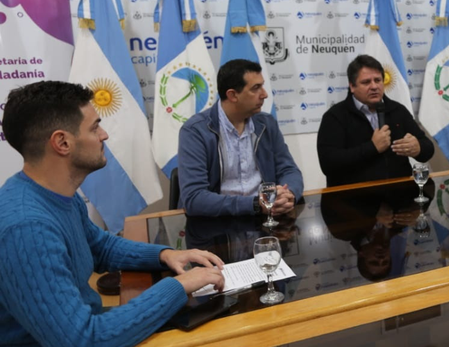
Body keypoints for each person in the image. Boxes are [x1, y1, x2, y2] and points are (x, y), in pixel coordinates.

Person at [0, 81, 225, 346]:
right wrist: (178, 286)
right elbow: (84, 340)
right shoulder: (27, 228)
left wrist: (166, 255)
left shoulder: (59, 194)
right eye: (95, 127)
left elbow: (100, 247)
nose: (104, 135)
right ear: (62, 142)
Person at [178, 59, 303, 217]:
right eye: (256, 88)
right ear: (232, 95)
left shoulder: (266, 123)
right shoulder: (195, 131)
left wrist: (288, 193)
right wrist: (256, 204)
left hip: (264, 220)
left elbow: (289, 170)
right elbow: (194, 198)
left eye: (262, 86)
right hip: (216, 224)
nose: (264, 95)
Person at [317, 54, 434, 187]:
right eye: (366, 82)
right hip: (354, 201)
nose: (374, 86)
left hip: (400, 199)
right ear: (352, 86)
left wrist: (418, 148)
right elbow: (328, 165)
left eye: (378, 80)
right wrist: (372, 147)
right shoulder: (335, 117)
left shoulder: (397, 110)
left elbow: (428, 149)